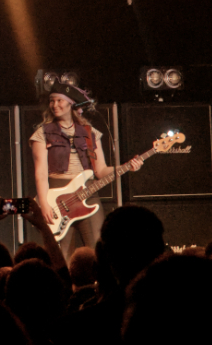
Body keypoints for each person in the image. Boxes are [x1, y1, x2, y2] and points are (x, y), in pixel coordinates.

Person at [29, 82, 140, 260]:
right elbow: (40, 173)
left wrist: (127, 166)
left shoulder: (91, 133)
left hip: (88, 194)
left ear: (72, 103)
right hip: (58, 197)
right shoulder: (42, 133)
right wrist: (44, 203)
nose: (55, 105)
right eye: (52, 101)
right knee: (62, 256)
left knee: (98, 250)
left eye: (59, 100)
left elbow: (101, 170)